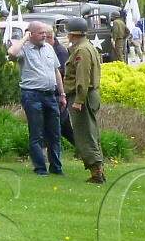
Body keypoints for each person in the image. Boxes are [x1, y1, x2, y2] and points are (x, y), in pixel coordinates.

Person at [9, 20, 66, 176]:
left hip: (50, 95)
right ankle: (40, 168)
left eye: (45, 32)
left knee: (55, 134)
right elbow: (12, 53)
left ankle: (56, 168)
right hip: (32, 95)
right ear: (31, 34)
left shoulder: (49, 48)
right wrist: (24, 38)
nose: (44, 35)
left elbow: (56, 71)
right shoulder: (24, 49)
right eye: (40, 33)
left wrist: (62, 94)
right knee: (37, 134)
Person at [61, 18, 106, 184]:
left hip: (83, 96)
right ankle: (98, 171)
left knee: (85, 136)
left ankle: (97, 173)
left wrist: (79, 100)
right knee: (90, 133)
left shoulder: (82, 50)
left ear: (73, 34)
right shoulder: (87, 47)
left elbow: (83, 77)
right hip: (87, 95)